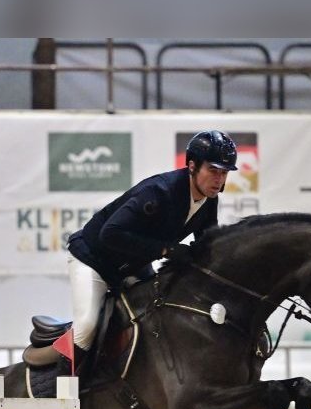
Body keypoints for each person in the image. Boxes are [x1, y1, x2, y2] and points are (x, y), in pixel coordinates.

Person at [65, 129, 238, 363]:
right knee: (86, 327)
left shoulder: (208, 201)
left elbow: (208, 246)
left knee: (160, 313)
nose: (219, 179)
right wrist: (166, 250)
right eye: (213, 170)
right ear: (192, 165)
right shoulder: (159, 192)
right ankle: (56, 386)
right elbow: (111, 234)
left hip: (132, 266)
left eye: (224, 172)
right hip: (93, 259)